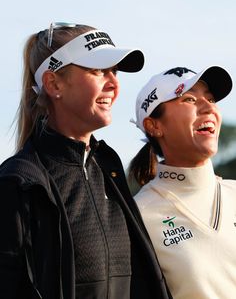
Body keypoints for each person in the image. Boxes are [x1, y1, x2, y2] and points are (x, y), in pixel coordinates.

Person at [0, 22, 172, 299]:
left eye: (114, 72)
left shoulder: (107, 167)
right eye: (98, 71)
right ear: (54, 83)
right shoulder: (18, 182)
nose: (114, 83)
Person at [129, 66, 236, 299]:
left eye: (210, 99)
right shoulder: (137, 216)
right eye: (189, 99)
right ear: (154, 126)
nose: (208, 107)